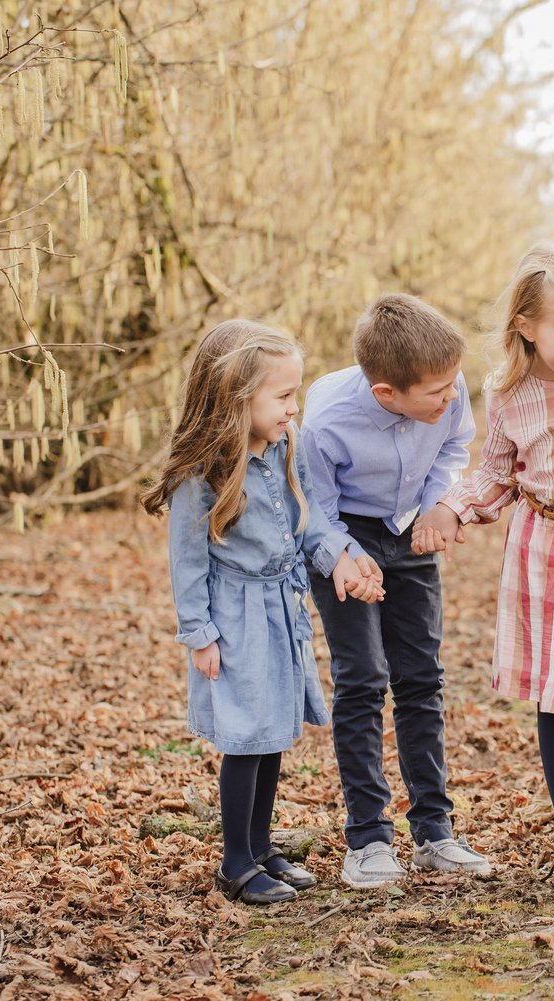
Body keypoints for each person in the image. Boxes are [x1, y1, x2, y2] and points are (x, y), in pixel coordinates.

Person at [413, 246, 554, 892]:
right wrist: (453, 509)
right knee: (553, 694)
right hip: (543, 549)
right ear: (526, 326)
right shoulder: (511, 393)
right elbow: (496, 473)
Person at [141, 320, 384, 906]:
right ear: (235, 396)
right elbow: (187, 561)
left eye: (295, 394)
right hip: (236, 619)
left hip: (283, 609)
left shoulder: (284, 449)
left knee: (273, 732)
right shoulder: (201, 475)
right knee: (246, 738)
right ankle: (234, 862)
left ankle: (259, 846)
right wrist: (200, 634)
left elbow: (311, 522)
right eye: (282, 396)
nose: (293, 409)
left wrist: (341, 560)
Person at [302, 293, 491, 889]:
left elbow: (456, 448)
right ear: (387, 393)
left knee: (422, 678)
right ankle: (367, 839)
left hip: (410, 526)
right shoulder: (326, 421)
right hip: (345, 535)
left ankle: (434, 831)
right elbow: (315, 513)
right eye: (436, 391)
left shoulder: (449, 390)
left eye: (453, 383)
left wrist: (441, 505)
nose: (451, 396)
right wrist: (347, 559)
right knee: (362, 680)